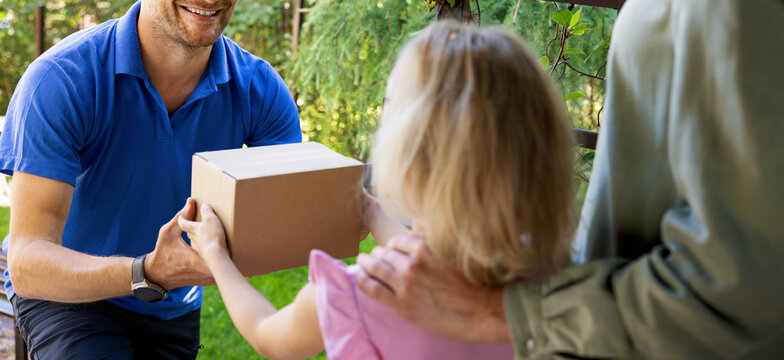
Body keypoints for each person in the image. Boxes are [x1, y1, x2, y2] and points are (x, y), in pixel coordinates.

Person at [356, 0, 784, 358]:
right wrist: (370, 212)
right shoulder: (535, 264)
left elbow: (744, 282)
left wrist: (494, 313)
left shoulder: (359, 298)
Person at [179, 21, 575, 359]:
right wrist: (371, 213)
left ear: (409, 152)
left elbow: (270, 334)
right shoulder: (555, 272)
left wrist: (215, 252)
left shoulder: (368, 291)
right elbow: (445, 258)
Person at [0, 0, 301, 357]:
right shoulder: (61, 79)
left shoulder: (260, 89)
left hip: (173, 302)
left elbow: (287, 214)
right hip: (67, 294)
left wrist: (343, 211)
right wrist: (148, 271)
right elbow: (28, 264)